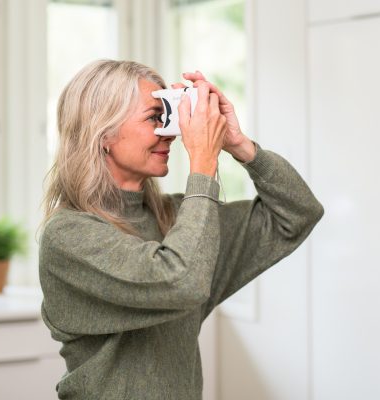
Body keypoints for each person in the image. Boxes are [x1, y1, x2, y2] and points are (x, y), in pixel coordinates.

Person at [39, 59, 323, 399]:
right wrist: (203, 161)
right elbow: (182, 281)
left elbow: (298, 213)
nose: (170, 133)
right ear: (104, 135)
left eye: (169, 116)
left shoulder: (175, 219)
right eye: (154, 117)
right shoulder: (68, 236)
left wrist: (241, 146)